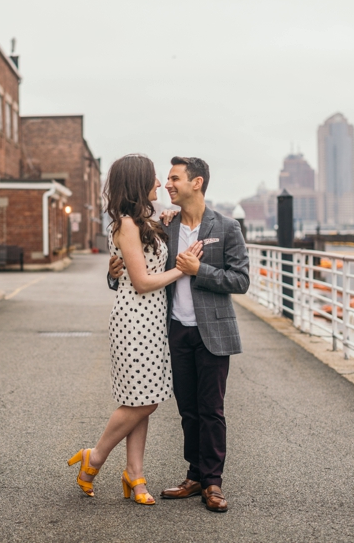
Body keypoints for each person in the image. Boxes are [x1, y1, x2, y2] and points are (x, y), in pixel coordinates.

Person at [109, 156, 249, 512]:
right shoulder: (163, 227)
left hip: (213, 331)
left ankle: (213, 483)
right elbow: (138, 269)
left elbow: (241, 280)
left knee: (211, 410)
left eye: (174, 178)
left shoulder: (227, 227)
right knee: (188, 410)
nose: (168, 185)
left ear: (196, 183)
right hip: (173, 331)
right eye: (166, 179)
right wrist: (114, 274)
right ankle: (195, 475)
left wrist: (200, 270)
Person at [69, 154, 203, 505]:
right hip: (135, 319)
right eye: (154, 179)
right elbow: (141, 282)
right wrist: (183, 270)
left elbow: (138, 264)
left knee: (142, 398)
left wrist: (168, 220)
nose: (160, 184)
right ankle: (94, 458)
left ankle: (135, 475)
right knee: (141, 401)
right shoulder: (126, 224)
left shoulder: (145, 221)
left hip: (153, 320)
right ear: (138, 183)